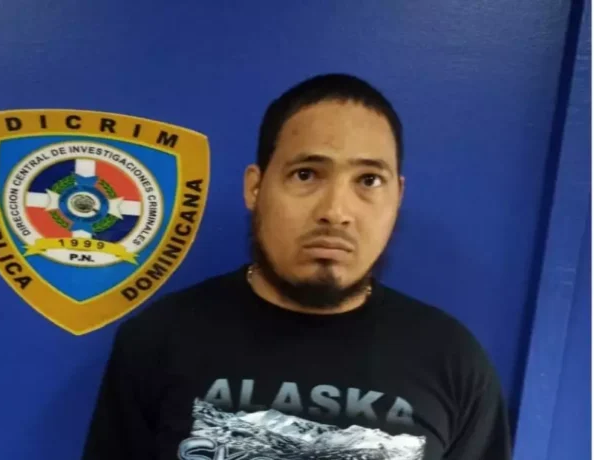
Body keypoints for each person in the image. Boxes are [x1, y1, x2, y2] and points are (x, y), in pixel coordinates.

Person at [81, 74, 512, 460]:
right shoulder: (160, 339)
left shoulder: (453, 361)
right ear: (255, 187)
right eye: (306, 175)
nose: (336, 211)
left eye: (368, 180)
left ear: (397, 197)